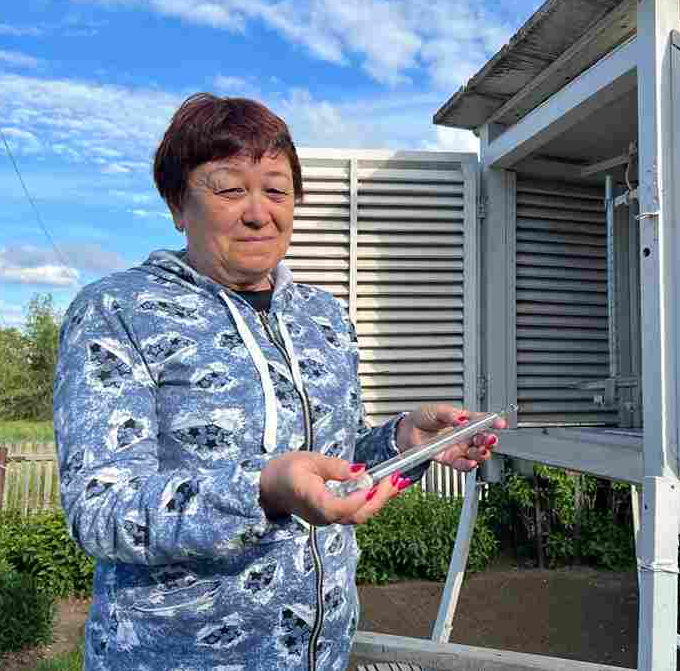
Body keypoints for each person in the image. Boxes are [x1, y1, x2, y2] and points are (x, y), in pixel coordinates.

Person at [53, 92, 504, 671]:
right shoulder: (117, 311)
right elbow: (101, 510)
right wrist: (262, 490)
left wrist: (402, 443)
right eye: (229, 189)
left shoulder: (323, 316)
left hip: (321, 653)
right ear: (177, 204)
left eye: (276, 190)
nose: (258, 212)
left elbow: (334, 461)